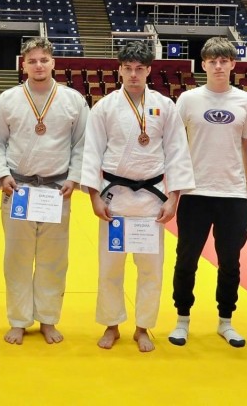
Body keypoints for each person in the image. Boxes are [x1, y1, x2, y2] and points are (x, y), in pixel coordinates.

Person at [81, 41, 195, 352]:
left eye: (140, 69)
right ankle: (111, 325)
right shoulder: (104, 107)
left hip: (151, 201)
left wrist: (174, 198)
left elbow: (177, 153)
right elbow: (91, 153)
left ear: (149, 70)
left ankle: (142, 327)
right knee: (110, 268)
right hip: (114, 200)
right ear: (119, 69)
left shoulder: (164, 106)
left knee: (150, 269)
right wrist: (93, 197)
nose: (133, 74)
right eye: (128, 68)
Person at [0, 37, 89, 345]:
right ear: (23, 64)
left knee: (53, 259)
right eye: (32, 61)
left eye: (44, 60)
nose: (38, 65)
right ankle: (18, 319)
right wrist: (1, 174)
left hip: (57, 191)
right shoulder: (8, 99)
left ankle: (47, 319)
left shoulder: (73, 100)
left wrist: (75, 177)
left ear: (53, 63)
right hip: (18, 189)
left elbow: (83, 144)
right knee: (16, 258)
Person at [170, 37, 247, 348]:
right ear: (203, 64)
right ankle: (182, 319)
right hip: (195, 193)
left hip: (233, 194)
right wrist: (174, 189)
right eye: (213, 61)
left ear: (233, 64)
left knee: (230, 262)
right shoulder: (188, 100)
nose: (219, 66)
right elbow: (175, 145)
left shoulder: (246, 102)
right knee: (186, 260)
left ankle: (226, 321)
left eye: (224, 61)